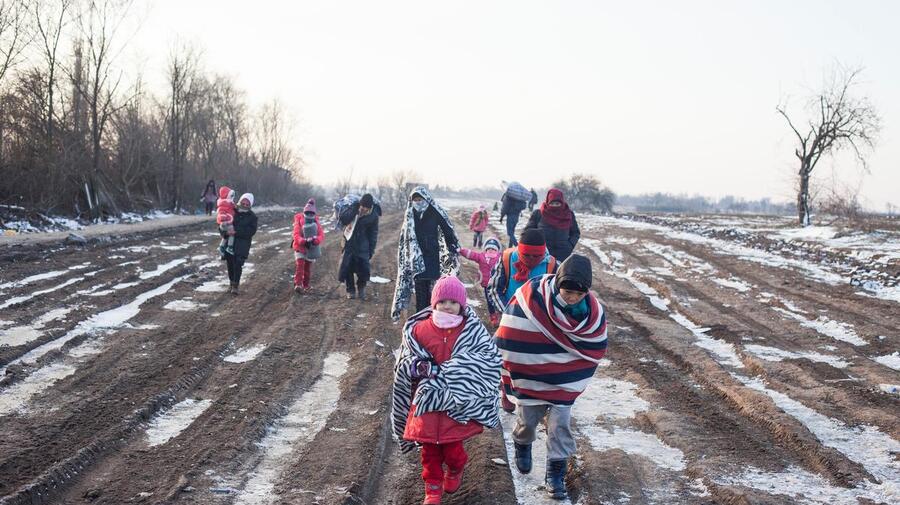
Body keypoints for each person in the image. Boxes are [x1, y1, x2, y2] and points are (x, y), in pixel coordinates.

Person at [495, 254, 608, 500]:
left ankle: (555, 476)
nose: (571, 297)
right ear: (558, 284)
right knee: (528, 420)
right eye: (567, 292)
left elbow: (595, 344)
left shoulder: (591, 313)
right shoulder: (533, 297)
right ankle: (522, 443)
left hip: (563, 383)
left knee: (560, 426)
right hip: (531, 377)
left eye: (578, 294)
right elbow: (511, 330)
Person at [391, 276, 501, 505]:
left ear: (462, 304)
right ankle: (432, 490)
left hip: (455, 404)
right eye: (442, 301)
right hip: (427, 404)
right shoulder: (420, 329)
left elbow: (487, 359)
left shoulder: (471, 330)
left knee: (452, 450)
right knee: (429, 453)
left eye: (453, 301)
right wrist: (416, 366)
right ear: (434, 303)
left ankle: (455, 468)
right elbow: (406, 357)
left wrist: (454, 372)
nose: (447, 306)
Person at [391, 187, 459, 321]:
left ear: (426, 199)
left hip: (433, 256)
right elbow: (405, 237)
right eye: (415, 200)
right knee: (421, 290)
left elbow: (447, 229)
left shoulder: (435, 212)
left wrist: (451, 244)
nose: (418, 202)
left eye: (420, 199)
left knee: (435, 289)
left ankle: (435, 315)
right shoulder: (410, 215)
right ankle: (422, 318)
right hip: (416, 259)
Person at [338, 193, 380, 300]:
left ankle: (361, 290)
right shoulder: (353, 208)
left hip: (363, 245)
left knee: (363, 269)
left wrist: (371, 250)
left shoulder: (373, 216)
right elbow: (343, 218)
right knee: (347, 267)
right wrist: (355, 211)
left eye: (366, 207)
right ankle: (350, 290)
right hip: (349, 242)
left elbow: (373, 234)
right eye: (362, 206)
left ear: (370, 207)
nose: (364, 209)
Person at [524, 188, 581, 261]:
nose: (554, 206)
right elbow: (528, 232)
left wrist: (569, 246)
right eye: (552, 203)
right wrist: (535, 247)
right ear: (548, 202)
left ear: (562, 203)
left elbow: (575, 233)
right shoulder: (538, 214)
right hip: (541, 256)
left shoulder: (569, 215)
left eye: (557, 204)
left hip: (563, 256)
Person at [458, 237, 501, 325]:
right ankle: (500, 313)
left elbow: (470, 254)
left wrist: (460, 250)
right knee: (498, 299)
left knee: (490, 301)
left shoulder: (481, 256)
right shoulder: (500, 256)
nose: (491, 251)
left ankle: (493, 316)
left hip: (486, 285)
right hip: (498, 283)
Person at [224, 193, 258, 295]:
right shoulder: (232, 212)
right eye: (244, 201)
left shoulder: (252, 217)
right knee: (230, 263)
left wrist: (236, 231)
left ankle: (235, 285)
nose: (245, 204)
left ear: (250, 204)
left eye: (247, 203)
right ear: (240, 200)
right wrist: (225, 232)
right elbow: (223, 225)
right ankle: (231, 282)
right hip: (229, 242)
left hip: (242, 245)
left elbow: (251, 231)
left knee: (238, 263)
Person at [292, 198, 324, 292]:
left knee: (307, 268)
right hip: (300, 247)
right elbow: (296, 234)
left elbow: (321, 235)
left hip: (311, 250)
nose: (309, 215)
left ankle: (306, 285)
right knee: (300, 266)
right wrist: (303, 241)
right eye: (307, 213)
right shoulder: (299, 220)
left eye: (311, 213)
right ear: (304, 212)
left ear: (314, 214)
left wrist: (316, 240)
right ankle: (298, 284)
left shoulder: (316, 222)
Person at [216, 186, 236, 256]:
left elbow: (231, 210)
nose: (232, 197)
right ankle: (229, 247)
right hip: (226, 223)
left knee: (226, 236)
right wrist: (223, 220)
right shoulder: (224, 203)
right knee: (231, 234)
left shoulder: (228, 203)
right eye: (231, 195)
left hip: (227, 222)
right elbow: (221, 213)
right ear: (226, 195)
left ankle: (221, 246)